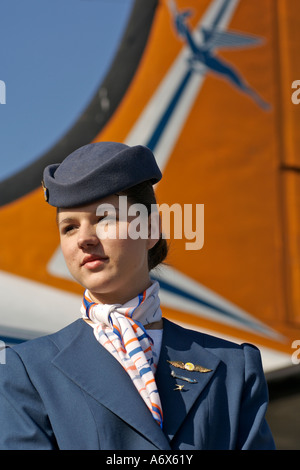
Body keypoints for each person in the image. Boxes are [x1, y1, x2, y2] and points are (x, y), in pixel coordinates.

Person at [0, 142, 275, 450]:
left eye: (104, 218)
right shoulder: (26, 372)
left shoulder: (234, 367)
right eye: (69, 228)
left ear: (150, 229)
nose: (84, 239)